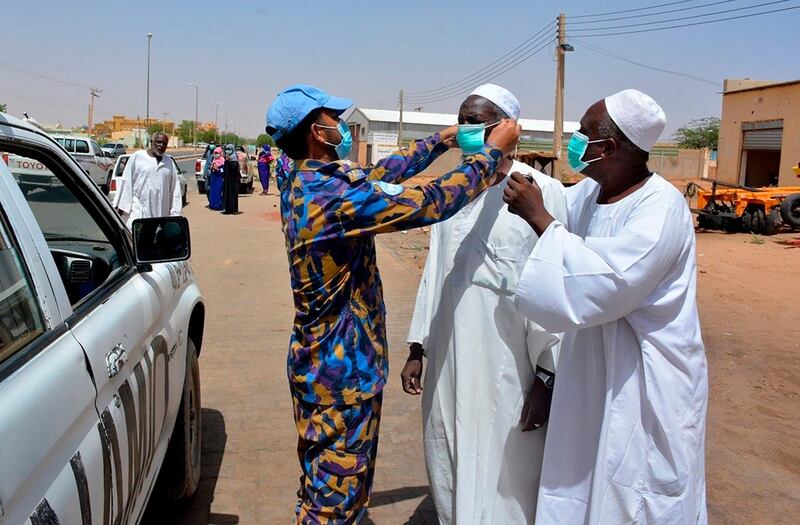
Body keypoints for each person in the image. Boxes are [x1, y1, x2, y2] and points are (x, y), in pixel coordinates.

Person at [265, 83, 520, 523]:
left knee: (331, 484)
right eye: (333, 119)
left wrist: (440, 140)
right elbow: (432, 202)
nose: (341, 126)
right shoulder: (332, 197)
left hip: (330, 368)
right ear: (315, 131)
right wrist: (490, 153)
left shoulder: (310, 180)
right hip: (340, 375)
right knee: (332, 504)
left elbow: (382, 175)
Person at [502, 89, 708, 524]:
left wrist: (540, 219)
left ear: (610, 148)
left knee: (635, 486)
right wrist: (501, 161)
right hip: (591, 369)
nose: (575, 142)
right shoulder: (587, 196)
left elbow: (611, 282)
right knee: (580, 477)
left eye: (582, 134)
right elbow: (553, 197)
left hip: (643, 377)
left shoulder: (661, 208)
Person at [401, 84, 568, 524]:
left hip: (509, 365)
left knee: (507, 474)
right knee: (447, 455)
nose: (469, 129)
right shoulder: (452, 191)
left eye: (479, 121)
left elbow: (556, 288)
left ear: (510, 128)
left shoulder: (543, 193)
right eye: (464, 121)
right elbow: (435, 270)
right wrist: (417, 346)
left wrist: (547, 378)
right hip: (448, 357)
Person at [114, 131, 181, 227]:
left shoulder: (169, 162)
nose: (161, 145)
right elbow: (126, 183)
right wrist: (121, 210)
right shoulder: (137, 157)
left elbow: (175, 191)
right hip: (138, 214)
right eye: (158, 142)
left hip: (161, 216)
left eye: (164, 144)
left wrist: (174, 216)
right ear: (151, 142)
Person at [222, 143, 239, 214]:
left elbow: (234, 169)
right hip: (227, 180)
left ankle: (233, 209)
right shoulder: (227, 158)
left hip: (233, 181)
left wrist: (229, 161)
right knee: (226, 194)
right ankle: (227, 209)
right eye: (227, 149)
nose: (227, 151)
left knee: (232, 194)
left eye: (229, 149)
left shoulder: (234, 158)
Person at [208, 146, 225, 210]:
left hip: (219, 178)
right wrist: (212, 168)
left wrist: (217, 169)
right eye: (215, 153)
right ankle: (212, 205)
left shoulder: (223, 161)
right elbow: (212, 169)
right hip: (214, 178)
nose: (215, 154)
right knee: (213, 192)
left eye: (217, 153)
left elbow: (223, 170)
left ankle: (218, 205)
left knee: (218, 192)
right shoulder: (214, 160)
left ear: (220, 153)